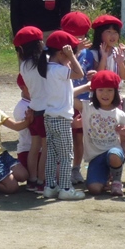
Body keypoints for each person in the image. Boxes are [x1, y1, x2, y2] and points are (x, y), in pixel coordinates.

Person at [39, 29, 86, 200]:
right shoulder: (58, 70)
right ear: (61, 53)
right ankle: (66, 188)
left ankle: (50, 186)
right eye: (68, 54)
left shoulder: (49, 68)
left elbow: (68, 87)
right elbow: (79, 73)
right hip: (61, 119)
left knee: (52, 154)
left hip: (50, 117)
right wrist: (73, 56)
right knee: (67, 156)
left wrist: (73, 52)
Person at [78, 70, 125, 196]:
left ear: (116, 92)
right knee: (94, 189)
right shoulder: (86, 108)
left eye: (110, 90)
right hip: (95, 157)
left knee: (113, 154)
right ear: (94, 91)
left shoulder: (120, 114)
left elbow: (124, 140)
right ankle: (106, 177)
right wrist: (86, 87)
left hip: (114, 152)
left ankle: (117, 180)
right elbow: (67, 95)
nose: (105, 94)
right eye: (100, 90)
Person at [14, 25, 49, 192]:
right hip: (45, 111)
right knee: (46, 148)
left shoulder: (24, 66)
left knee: (35, 147)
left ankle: (33, 180)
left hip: (33, 109)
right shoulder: (45, 62)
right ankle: (42, 181)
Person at [61, 10, 93, 186]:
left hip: (83, 100)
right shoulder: (60, 53)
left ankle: (76, 168)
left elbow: (93, 71)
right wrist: (74, 52)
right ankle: (62, 168)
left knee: (79, 136)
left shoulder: (89, 53)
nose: (78, 39)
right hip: (64, 100)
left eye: (82, 35)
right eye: (73, 35)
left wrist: (94, 74)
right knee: (65, 136)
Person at [91, 14, 125, 111]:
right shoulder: (93, 53)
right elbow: (97, 75)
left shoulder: (120, 52)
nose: (113, 36)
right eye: (108, 32)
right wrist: (104, 58)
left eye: (115, 32)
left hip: (116, 93)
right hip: (99, 94)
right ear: (99, 34)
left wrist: (120, 63)